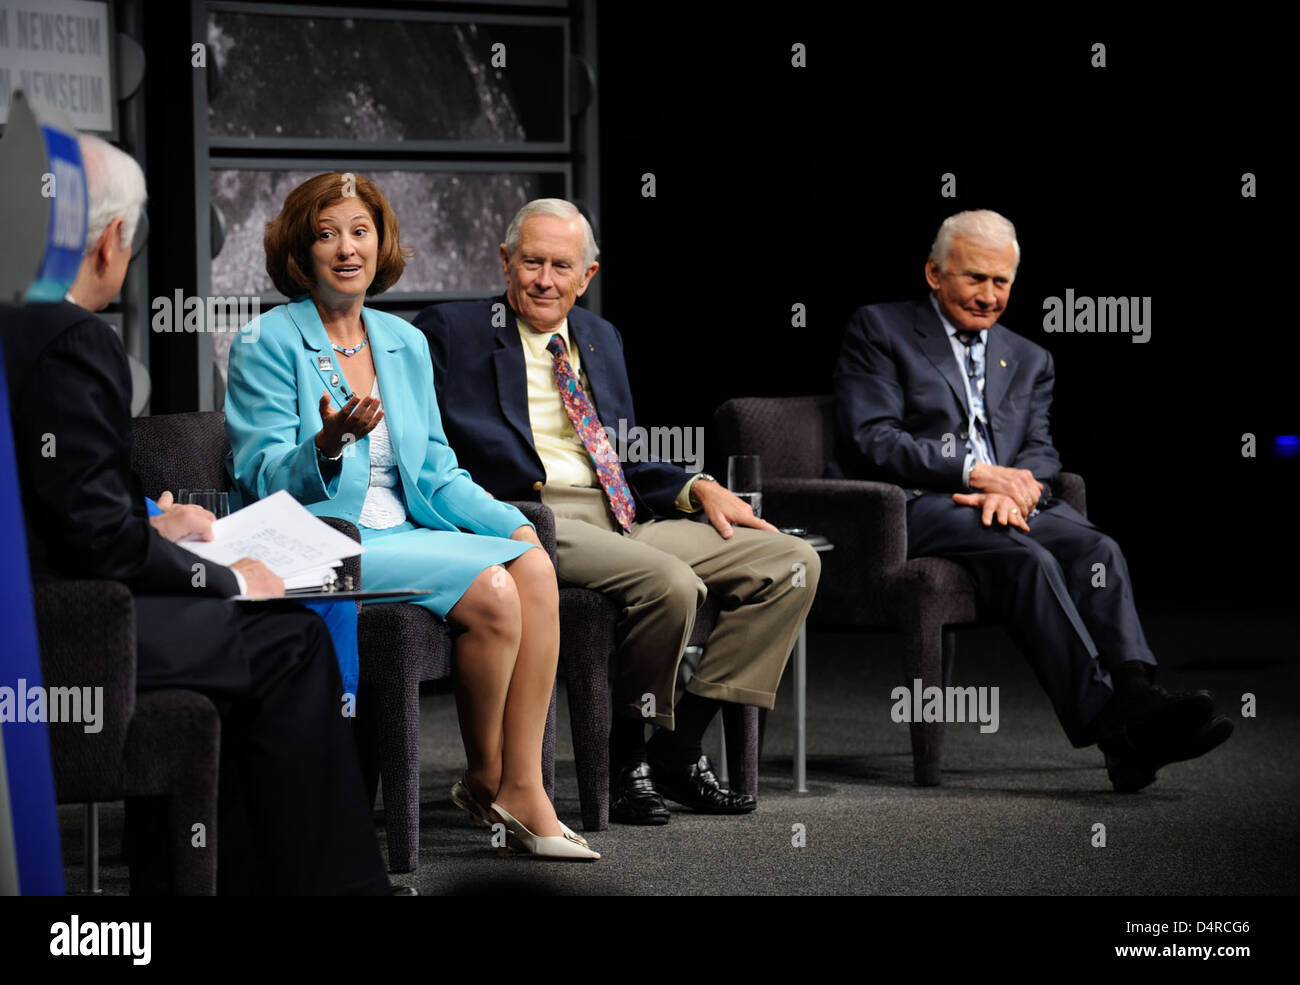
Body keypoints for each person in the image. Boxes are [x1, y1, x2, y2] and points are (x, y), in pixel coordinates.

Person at [0, 134, 405, 893]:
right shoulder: (71, 339)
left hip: (42, 602)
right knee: (288, 638)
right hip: (62, 631)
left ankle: (191, 869)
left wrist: (146, 521)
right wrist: (217, 576)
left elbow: (49, 503)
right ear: (113, 239)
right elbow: (95, 545)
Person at [223, 174, 596, 860]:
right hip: (323, 539)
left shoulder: (403, 342)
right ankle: (502, 784)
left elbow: (435, 471)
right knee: (493, 585)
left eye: (360, 231)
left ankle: (508, 782)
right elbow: (258, 477)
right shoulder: (265, 342)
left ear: (381, 243)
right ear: (300, 251)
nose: (346, 247)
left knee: (529, 563)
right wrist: (326, 445)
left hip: (405, 530)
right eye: (326, 232)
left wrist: (508, 522)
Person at [414, 199, 821, 824]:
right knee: (672, 584)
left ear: (587, 276)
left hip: (624, 517)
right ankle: (626, 759)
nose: (544, 280)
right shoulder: (452, 331)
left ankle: (678, 750)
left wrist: (697, 486)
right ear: (504, 261)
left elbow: (623, 454)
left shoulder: (601, 339)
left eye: (560, 266)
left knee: (788, 564)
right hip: (534, 519)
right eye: (530, 262)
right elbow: (430, 449)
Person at [832, 209, 1232, 792]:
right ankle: (1114, 722)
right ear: (934, 273)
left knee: (1097, 549)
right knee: (1026, 559)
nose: (988, 296)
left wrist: (1019, 489)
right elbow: (873, 437)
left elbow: (1042, 449)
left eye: (1001, 282)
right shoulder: (880, 329)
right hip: (912, 505)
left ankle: (1137, 700)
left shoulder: (1029, 357)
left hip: (1004, 504)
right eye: (974, 278)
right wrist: (976, 474)